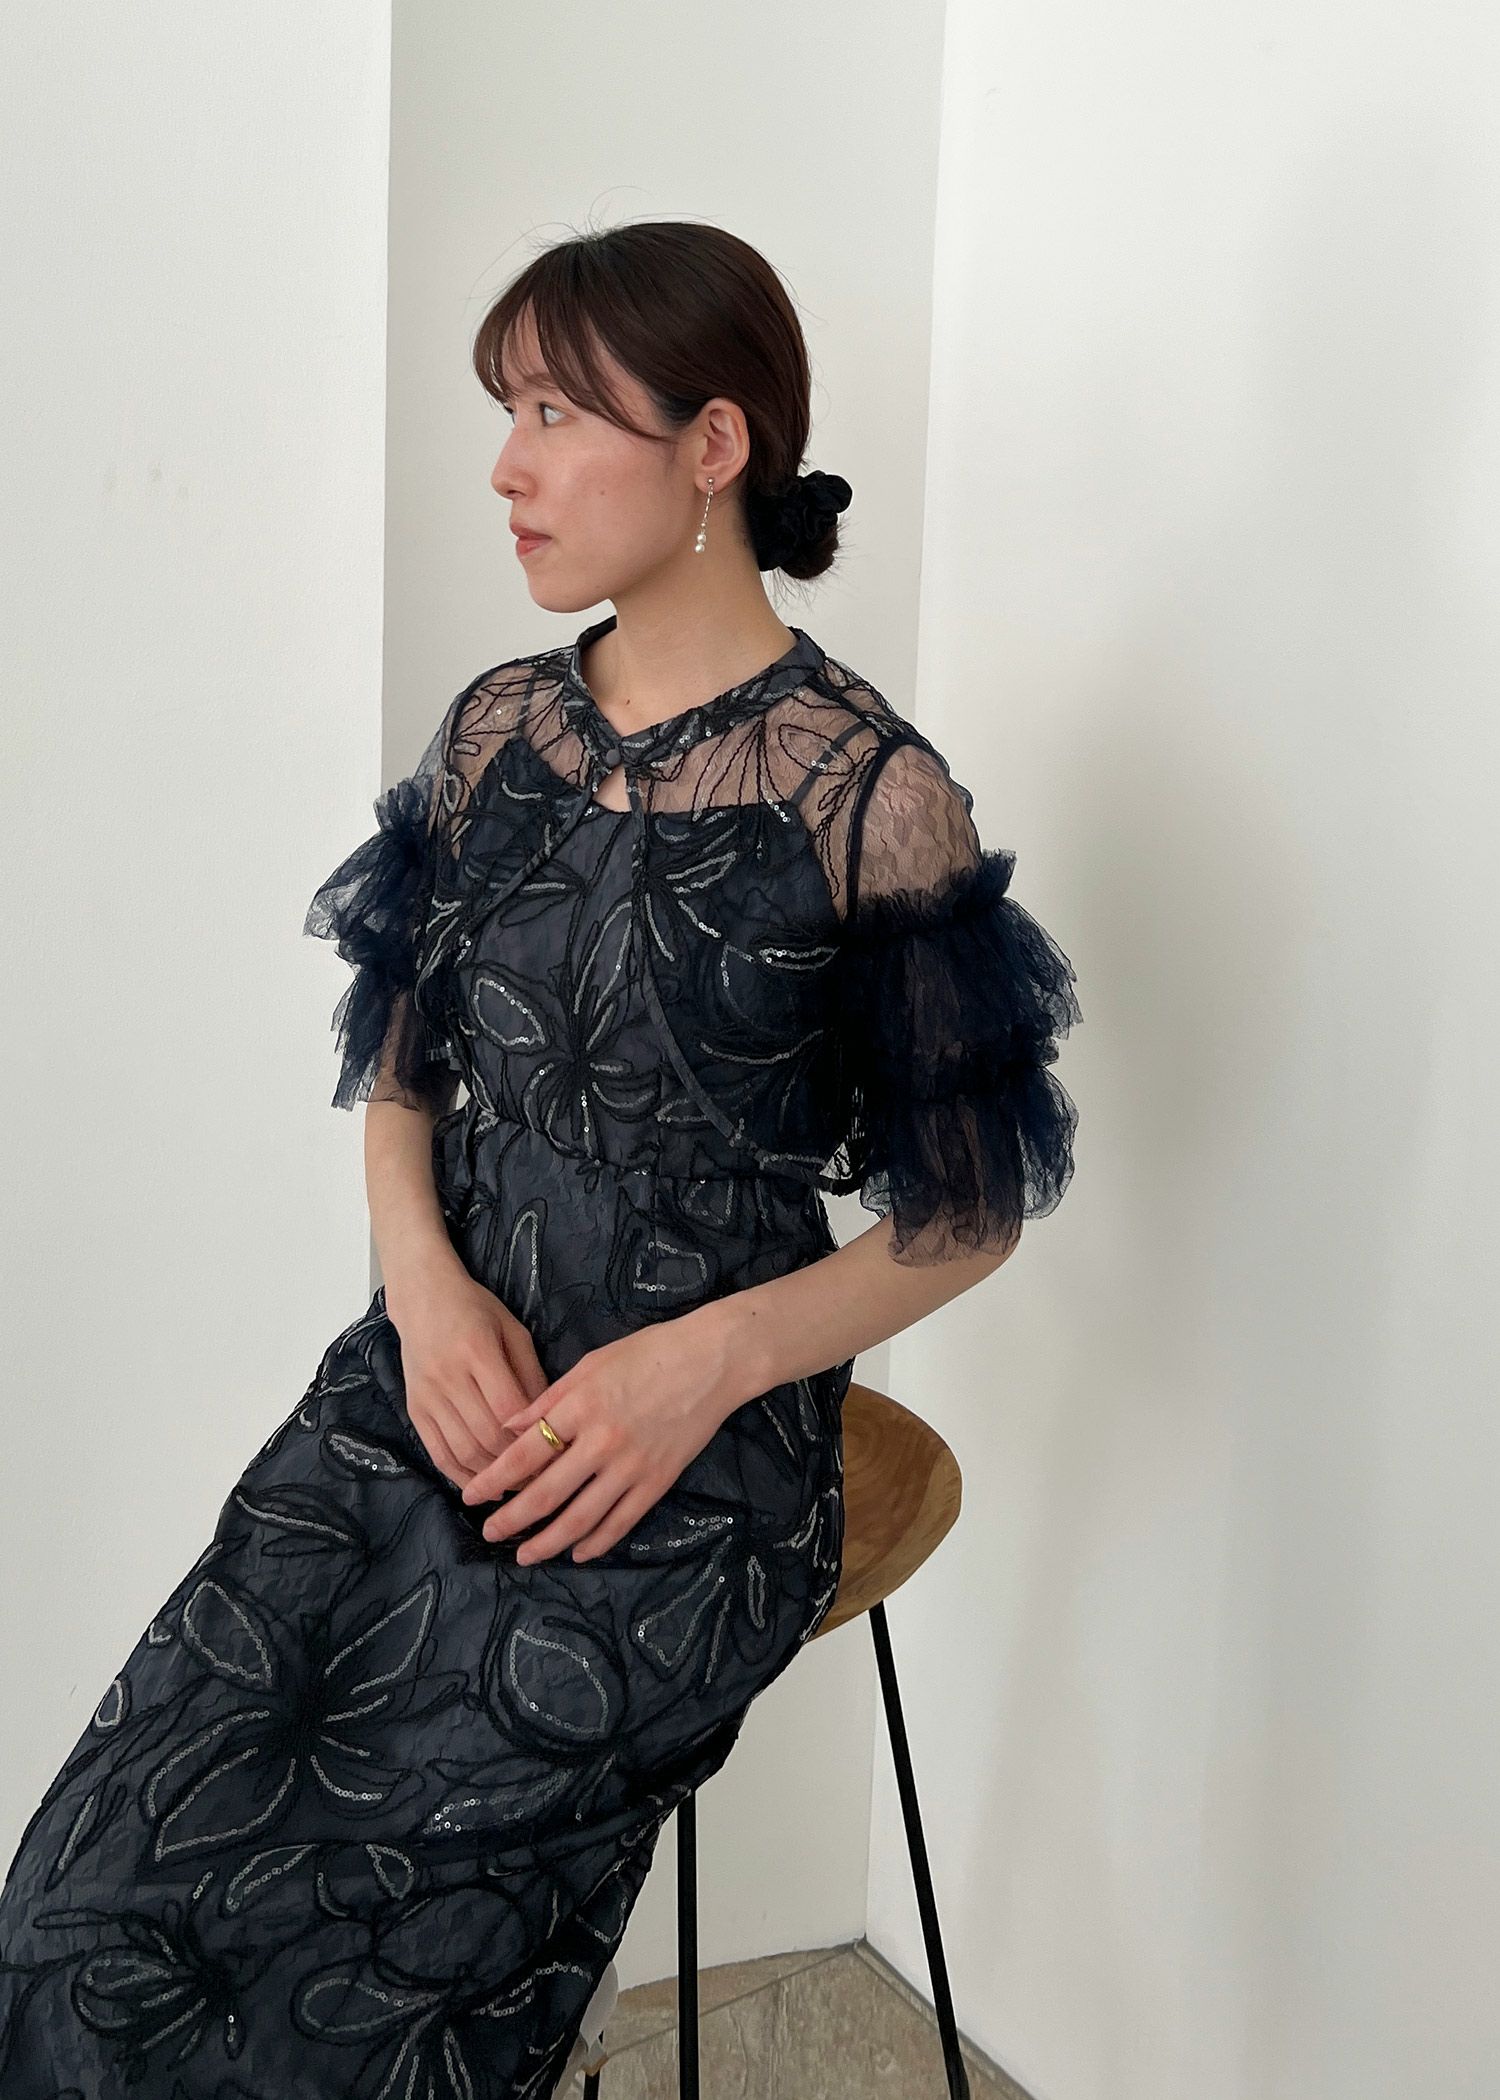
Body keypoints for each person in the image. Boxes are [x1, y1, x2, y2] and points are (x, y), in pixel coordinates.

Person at [0, 219, 1082, 2098]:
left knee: (365, 1971)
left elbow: (969, 1213)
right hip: (428, 1384)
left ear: (715, 444)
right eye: (506, 409)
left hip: (688, 1455)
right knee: (82, 1917)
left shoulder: (868, 794)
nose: (507, 466)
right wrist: (421, 1293)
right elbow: (402, 1076)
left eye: (559, 414)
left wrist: (703, 1365)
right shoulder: (499, 732)